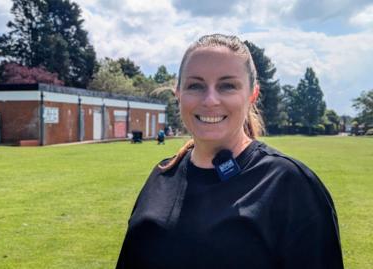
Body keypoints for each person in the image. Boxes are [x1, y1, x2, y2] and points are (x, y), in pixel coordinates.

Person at [116, 34, 343, 269]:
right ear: (178, 94)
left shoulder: (289, 184)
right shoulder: (162, 176)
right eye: (195, 85)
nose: (210, 100)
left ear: (252, 95)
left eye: (227, 86)